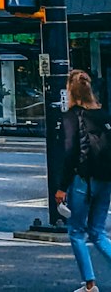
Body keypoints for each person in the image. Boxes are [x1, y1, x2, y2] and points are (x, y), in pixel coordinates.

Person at [55, 69, 111, 292]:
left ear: (70, 91)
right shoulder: (104, 114)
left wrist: (61, 187)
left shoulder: (71, 117)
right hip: (105, 179)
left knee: (77, 232)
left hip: (83, 181)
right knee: (97, 231)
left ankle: (90, 285)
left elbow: (70, 154)